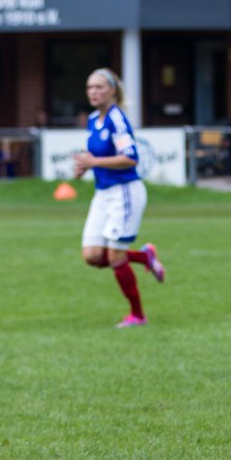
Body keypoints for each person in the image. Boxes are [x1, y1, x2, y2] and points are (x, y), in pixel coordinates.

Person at [73, 68, 166, 328]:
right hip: (102, 194)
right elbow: (96, 157)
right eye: (90, 87)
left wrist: (94, 162)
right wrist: (85, 166)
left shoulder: (117, 119)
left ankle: (138, 315)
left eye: (99, 87)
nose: (93, 92)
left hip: (125, 192)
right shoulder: (93, 119)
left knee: (115, 257)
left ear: (112, 90)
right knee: (92, 256)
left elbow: (131, 156)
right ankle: (145, 256)